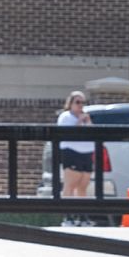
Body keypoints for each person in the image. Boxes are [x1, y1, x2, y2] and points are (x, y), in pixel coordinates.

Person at [56, 91, 95, 224]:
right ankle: (68, 216)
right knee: (70, 185)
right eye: (77, 102)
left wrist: (88, 121)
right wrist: (79, 121)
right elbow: (69, 133)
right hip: (72, 152)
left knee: (83, 185)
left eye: (83, 102)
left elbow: (92, 134)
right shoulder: (65, 117)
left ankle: (83, 216)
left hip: (87, 153)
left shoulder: (86, 118)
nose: (80, 105)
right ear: (71, 103)